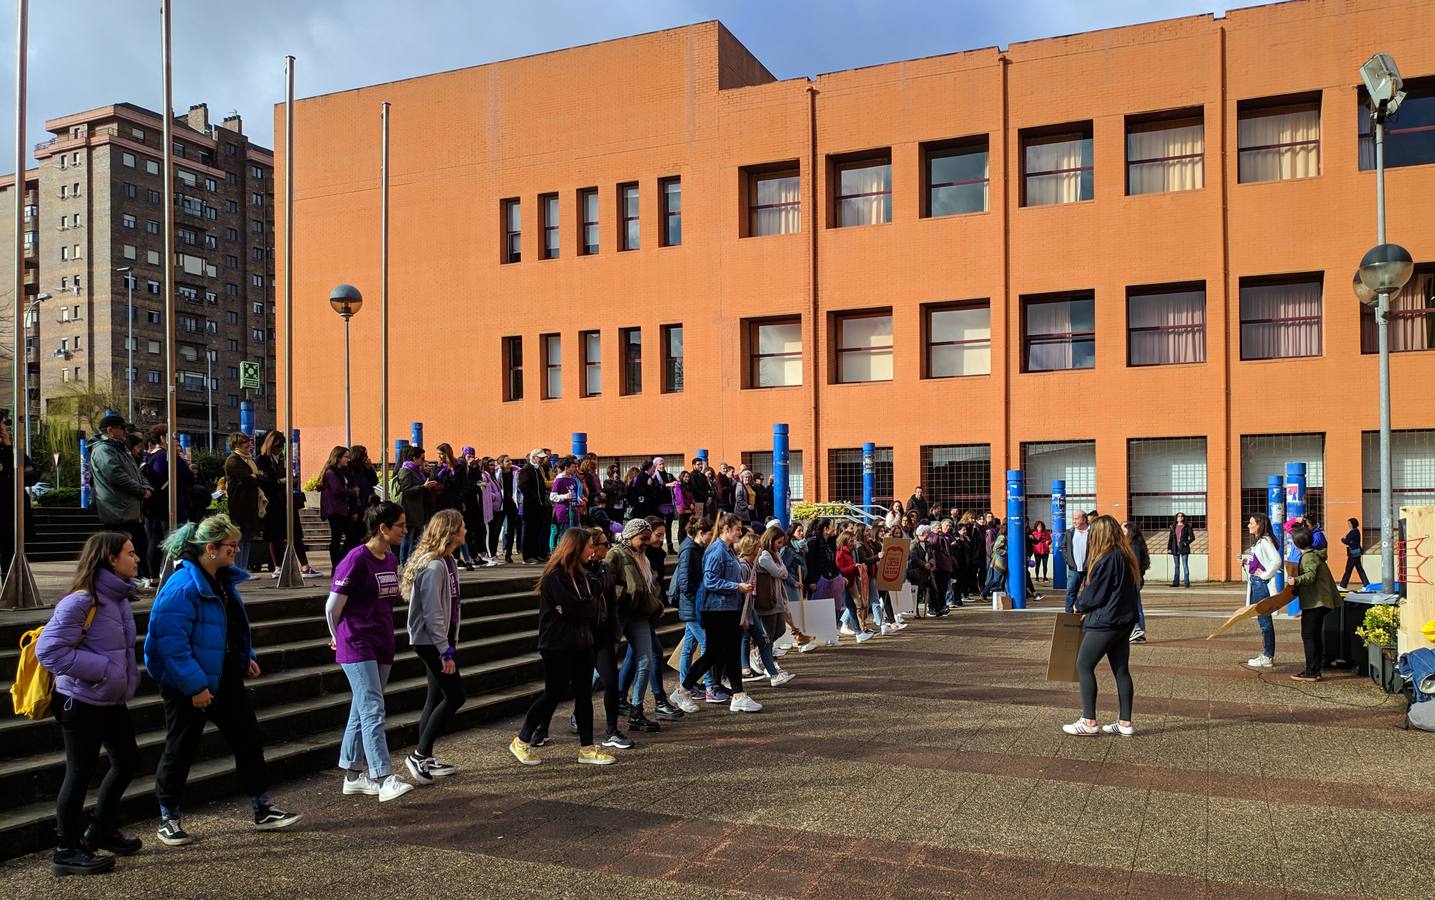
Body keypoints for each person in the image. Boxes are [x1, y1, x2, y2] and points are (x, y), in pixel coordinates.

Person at [145, 514, 301, 845]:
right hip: (186, 682)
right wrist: (195, 686)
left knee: (248, 738)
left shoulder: (221, 579)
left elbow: (230, 627)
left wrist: (247, 658)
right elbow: (169, 643)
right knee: (181, 746)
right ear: (211, 548)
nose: (237, 551)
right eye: (231, 546)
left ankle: (262, 807)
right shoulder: (183, 585)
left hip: (223, 673)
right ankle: (168, 817)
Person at [36, 532, 144, 876]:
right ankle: (65, 849)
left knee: (127, 762)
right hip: (80, 700)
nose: (137, 558)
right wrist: (102, 671)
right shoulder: (82, 600)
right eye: (130, 553)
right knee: (79, 773)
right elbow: (49, 650)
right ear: (111, 558)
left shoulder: (118, 597)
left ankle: (99, 829)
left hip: (109, 698)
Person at [327, 501, 413, 801]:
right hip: (357, 641)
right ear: (383, 528)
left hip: (382, 640)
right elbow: (333, 606)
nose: (405, 530)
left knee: (361, 708)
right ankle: (382, 775)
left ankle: (352, 774)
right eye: (400, 525)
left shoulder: (389, 558)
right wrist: (335, 635)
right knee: (373, 708)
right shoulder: (356, 559)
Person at [509, 527, 616, 766]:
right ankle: (522, 738)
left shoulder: (584, 575)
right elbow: (574, 607)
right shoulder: (555, 577)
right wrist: (577, 608)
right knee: (553, 693)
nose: (593, 550)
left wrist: (578, 608)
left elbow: (590, 608)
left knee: (583, 695)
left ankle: (587, 748)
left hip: (582, 641)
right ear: (576, 548)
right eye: (589, 546)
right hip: (557, 644)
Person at [670, 514, 763, 713]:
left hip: (727, 608)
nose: (740, 532)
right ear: (726, 529)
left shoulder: (727, 550)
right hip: (717, 610)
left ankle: (737, 694)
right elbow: (710, 581)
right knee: (714, 653)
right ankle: (684, 688)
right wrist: (737, 586)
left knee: (728, 653)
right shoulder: (717, 551)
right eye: (737, 529)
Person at [401, 508, 466, 782]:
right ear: (450, 532)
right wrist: (445, 650)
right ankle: (418, 755)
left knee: (436, 695)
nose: (466, 531)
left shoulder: (447, 560)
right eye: (462, 527)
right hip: (432, 641)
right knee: (456, 696)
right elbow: (432, 613)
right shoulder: (434, 565)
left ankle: (424, 755)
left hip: (441, 638)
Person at [1062, 515, 1141, 737]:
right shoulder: (1126, 555)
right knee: (1121, 670)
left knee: (1084, 665)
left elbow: (1095, 594)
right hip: (1124, 621)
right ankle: (1125, 722)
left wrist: (1079, 604)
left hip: (1106, 621)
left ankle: (1089, 721)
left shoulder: (1106, 558)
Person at [607, 519, 665, 732]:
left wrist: (653, 600)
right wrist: (625, 594)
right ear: (631, 535)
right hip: (620, 613)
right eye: (643, 538)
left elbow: (650, 583)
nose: (646, 543)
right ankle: (579, 711)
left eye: (648, 539)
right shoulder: (616, 554)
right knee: (602, 665)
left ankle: (636, 711)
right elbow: (607, 584)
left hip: (640, 614)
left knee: (645, 660)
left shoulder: (644, 557)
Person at [89, 414, 153, 586]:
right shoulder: (103, 449)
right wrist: (141, 491)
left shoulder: (121, 448)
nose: (126, 431)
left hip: (130, 509)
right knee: (123, 549)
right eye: (122, 428)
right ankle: (124, 582)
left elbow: (137, 473)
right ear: (110, 431)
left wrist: (146, 487)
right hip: (118, 510)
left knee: (139, 545)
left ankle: (132, 581)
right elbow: (115, 475)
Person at [672, 517, 717, 706]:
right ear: (700, 533)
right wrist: (697, 601)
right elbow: (685, 580)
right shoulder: (690, 550)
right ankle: (709, 687)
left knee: (689, 648)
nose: (711, 538)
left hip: (694, 604)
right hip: (693, 605)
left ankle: (687, 684)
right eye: (709, 535)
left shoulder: (694, 548)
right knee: (707, 645)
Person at [1288, 524, 1342, 683]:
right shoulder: (1313, 555)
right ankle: (1315, 669)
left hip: (1316, 602)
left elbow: (1310, 576)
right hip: (1316, 602)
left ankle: (1311, 671)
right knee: (1315, 636)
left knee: (1309, 636)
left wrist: (1294, 580)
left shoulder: (1308, 557)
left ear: (1297, 543)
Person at [141, 425, 195, 579]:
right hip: (171, 505)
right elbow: (188, 477)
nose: (176, 440)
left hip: (155, 506)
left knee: (155, 539)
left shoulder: (149, 457)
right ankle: (171, 574)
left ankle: (153, 576)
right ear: (163, 438)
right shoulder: (167, 456)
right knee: (173, 540)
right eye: (173, 437)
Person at [1244, 514, 1283, 669]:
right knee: (1262, 619)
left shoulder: (1265, 541)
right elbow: (1260, 561)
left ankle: (1268, 656)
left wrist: (1265, 574)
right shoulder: (1260, 541)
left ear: (1259, 525)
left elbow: (1277, 560)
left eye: (1251, 523)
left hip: (1261, 584)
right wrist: (1247, 560)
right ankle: (1267, 654)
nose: (1248, 525)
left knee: (1265, 620)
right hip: (1256, 582)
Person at [222, 432, 264, 572]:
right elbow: (247, 479)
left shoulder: (248, 460)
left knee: (247, 538)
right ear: (236, 445)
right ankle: (237, 568)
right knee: (239, 539)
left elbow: (258, 478)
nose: (249, 445)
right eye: (245, 443)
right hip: (239, 504)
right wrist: (255, 477)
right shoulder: (233, 460)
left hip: (250, 504)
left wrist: (255, 477)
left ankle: (243, 568)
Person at [392, 446, 437, 565]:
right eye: (422, 458)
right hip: (409, 510)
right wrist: (423, 487)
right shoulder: (406, 471)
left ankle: (412, 561)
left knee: (416, 538)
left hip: (418, 510)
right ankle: (404, 562)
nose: (423, 461)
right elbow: (406, 491)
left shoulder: (417, 470)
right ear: (414, 458)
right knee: (408, 537)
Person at [319, 445, 361, 569]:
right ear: (338, 457)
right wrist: (352, 491)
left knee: (352, 536)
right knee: (337, 537)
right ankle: (336, 564)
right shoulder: (331, 472)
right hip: (335, 510)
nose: (348, 460)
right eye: (346, 457)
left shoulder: (343, 472)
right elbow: (337, 490)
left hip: (343, 509)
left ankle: (340, 561)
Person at [517, 449, 553, 564]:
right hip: (531, 506)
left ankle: (537, 554)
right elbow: (523, 487)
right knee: (529, 531)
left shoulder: (539, 469)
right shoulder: (526, 470)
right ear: (534, 457)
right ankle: (528, 556)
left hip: (540, 506)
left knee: (538, 530)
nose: (542, 460)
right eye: (540, 458)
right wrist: (534, 498)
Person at [1122, 521, 1151, 643]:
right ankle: (1138, 631)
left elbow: (1136, 565)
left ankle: (1139, 631)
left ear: (1130, 531)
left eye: (1123, 530)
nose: (1121, 533)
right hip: (1135, 579)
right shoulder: (1133, 545)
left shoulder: (1134, 546)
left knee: (1135, 605)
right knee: (1135, 604)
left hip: (1133, 580)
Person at [1062, 510, 1091, 613]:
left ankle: (1086, 614)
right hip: (1074, 568)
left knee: (1089, 592)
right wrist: (1068, 560)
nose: (1074, 521)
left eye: (1077, 518)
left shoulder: (1092, 532)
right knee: (1071, 592)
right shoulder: (1070, 532)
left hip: (1089, 568)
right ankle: (1068, 615)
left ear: (1084, 519)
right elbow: (1064, 547)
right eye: (1073, 518)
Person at [495, 454, 521, 563]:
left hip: (511, 503)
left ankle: (508, 553)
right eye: (507, 461)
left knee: (510, 530)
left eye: (510, 460)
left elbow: (518, 487)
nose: (510, 462)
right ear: (501, 463)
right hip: (501, 503)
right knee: (496, 529)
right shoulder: (497, 472)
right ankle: (492, 552)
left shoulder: (515, 471)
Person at [1339, 517, 1369, 590]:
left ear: (1353, 524)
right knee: (1359, 569)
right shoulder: (1356, 531)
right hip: (1356, 553)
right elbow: (1349, 540)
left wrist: (1343, 539)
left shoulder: (1353, 532)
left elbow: (1346, 540)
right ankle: (1366, 584)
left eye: (1349, 523)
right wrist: (1347, 540)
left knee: (1348, 569)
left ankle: (1343, 585)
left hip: (1353, 553)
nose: (1348, 525)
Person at [1167, 512, 1194, 588]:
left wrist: (1185, 543)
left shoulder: (1187, 526)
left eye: (1182, 516)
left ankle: (1186, 583)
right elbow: (1170, 539)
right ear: (1176, 518)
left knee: (1185, 565)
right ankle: (1176, 582)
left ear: (1183, 518)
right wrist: (1169, 548)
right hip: (1175, 548)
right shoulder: (1173, 527)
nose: (1180, 517)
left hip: (1184, 549)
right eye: (1178, 516)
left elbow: (1192, 538)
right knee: (1176, 566)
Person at [348, 444, 379, 510]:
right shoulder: (350, 470)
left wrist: (370, 468)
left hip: (368, 501)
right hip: (358, 502)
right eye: (364, 455)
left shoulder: (364, 468)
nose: (366, 457)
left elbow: (374, 481)